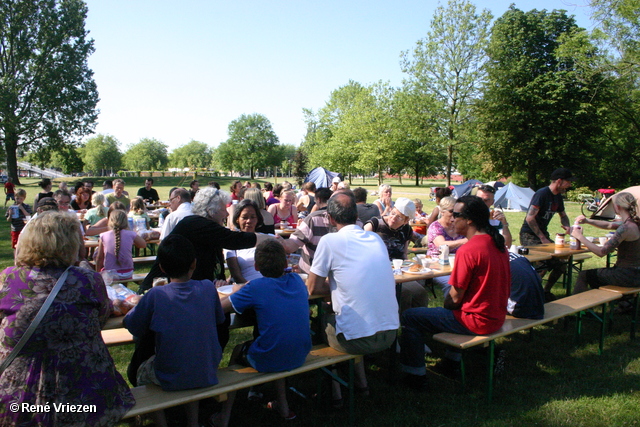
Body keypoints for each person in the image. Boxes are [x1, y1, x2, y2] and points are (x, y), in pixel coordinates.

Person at [0, 211, 135, 426]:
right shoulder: (87, 279)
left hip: (19, 395)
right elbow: (100, 317)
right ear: (70, 242)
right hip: (88, 392)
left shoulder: (8, 278)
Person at [400, 196, 510, 390]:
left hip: (477, 320)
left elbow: (455, 298)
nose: (451, 219)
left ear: (469, 220)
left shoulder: (469, 250)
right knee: (450, 312)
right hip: (496, 316)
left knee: (410, 316)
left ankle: (415, 375)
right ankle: (450, 364)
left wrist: (447, 305)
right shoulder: (497, 243)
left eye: (456, 215)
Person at [124, 234, 226, 427]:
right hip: (207, 369)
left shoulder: (156, 295)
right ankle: (193, 421)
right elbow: (220, 319)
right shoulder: (207, 288)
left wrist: (138, 304)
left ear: (161, 268)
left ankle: (162, 421)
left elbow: (133, 325)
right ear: (194, 263)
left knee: (139, 370)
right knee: (188, 355)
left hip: (171, 374)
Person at [307, 192, 399, 403]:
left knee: (319, 325)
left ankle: (335, 393)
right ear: (356, 215)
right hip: (390, 333)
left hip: (356, 341)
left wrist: (336, 284)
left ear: (330, 218)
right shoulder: (375, 238)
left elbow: (312, 288)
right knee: (346, 316)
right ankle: (362, 383)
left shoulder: (330, 241)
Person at [218, 240, 311, 424]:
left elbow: (220, 308)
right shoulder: (297, 281)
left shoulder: (255, 288)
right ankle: (283, 406)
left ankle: (224, 416)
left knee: (239, 350)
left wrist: (236, 290)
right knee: (273, 343)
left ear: (256, 266)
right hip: (300, 353)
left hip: (274, 355)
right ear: (285, 264)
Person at [139, 187, 274, 295]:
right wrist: (271, 239)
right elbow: (235, 240)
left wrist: (220, 280)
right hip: (160, 290)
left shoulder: (205, 228)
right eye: (223, 209)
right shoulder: (196, 224)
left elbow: (213, 265)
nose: (227, 214)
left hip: (186, 289)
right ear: (210, 211)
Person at [364, 198, 428, 313]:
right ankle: (400, 324)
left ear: (406, 220)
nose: (393, 218)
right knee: (405, 293)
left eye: (399, 217)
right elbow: (361, 250)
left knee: (420, 293)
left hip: (399, 272)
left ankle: (417, 323)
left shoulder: (406, 230)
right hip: (377, 272)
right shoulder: (374, 224)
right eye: (393, 213)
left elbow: (404, 253)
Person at [519, 168, 573, 300]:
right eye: (568, 182)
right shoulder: (542, 194)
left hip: (543, 235)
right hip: (529, 235)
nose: (570, 185)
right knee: (542, 263)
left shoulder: (558, 197)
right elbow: (530, 218)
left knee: (561, 263)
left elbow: (563, 215)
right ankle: (529, 294)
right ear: (559, 181)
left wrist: (567, 226)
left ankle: (545, 291)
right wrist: (542, 238)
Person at [571, 192, 640, 293]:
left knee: (584, 275)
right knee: (598, 276)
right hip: (636, 274)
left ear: (617, 206)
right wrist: (587, 221)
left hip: (626, 275)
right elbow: (609, 225)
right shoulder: (634, 223)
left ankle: (577, 307)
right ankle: (623, 305)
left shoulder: (625, 228)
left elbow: (601, 252)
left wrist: (580, 236)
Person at [281, 187, 333, 274]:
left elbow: (291, 246)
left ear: (318, 200)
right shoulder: (346, 219)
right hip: (334, 272)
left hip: (312, 272)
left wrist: (280, 241)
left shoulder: (313, 218)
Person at [95, 209, 146, 280]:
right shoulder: (131, 234)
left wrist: (98, 275)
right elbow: (143, 245)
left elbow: (99, 258)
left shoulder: (103, 235)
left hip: (110, 274)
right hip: (127, 273)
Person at [225, 200, 265, 283]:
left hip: (271, 285)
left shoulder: (267, 238)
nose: (249, 221)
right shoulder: (232, 242)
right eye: (245, 217)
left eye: (253, 217)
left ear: (258, 219)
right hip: (246, 287)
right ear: (237, 219)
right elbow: (236, 276)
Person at [507, 252, 545, 319]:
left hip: (521, 309)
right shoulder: (519, 256)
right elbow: (539, 279)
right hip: (539, 304)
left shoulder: (496, 260)